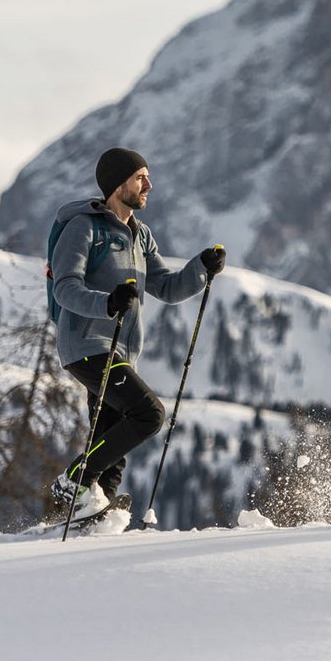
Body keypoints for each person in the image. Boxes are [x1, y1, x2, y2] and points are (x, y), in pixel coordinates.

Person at [46, 146, 225, 523]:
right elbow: (65, 287)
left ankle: (93, 513)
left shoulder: (140, 236)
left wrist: (202, 268)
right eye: (141, 177)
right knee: (148, 413)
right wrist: (106, 303)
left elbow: (167, 288)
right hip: (87, 345)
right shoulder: (84, 227)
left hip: (122, 351)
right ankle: (76, 479)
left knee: (111, 444)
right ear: (117, 184)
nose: (149, 184)